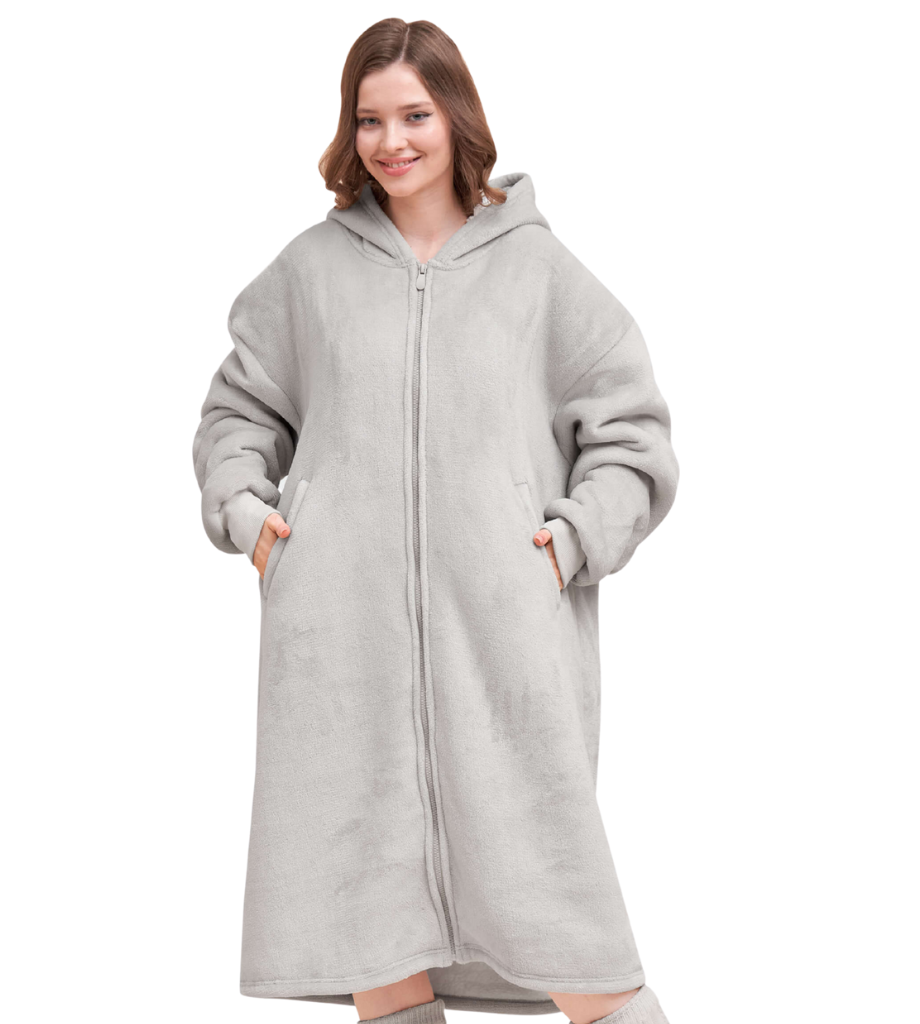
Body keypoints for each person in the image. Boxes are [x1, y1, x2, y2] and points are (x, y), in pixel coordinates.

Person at [192, 17, 678, 1024]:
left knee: (573, 940)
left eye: (413, 115)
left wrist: (572, 540)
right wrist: (248, 515)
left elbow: (631, 435)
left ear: (455, 117)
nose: (391, 141)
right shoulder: (310, 272)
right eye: (368, 119)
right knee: (375, 943)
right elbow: (238, 411)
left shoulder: (539, 273)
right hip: (339, 654)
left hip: (499, 649)